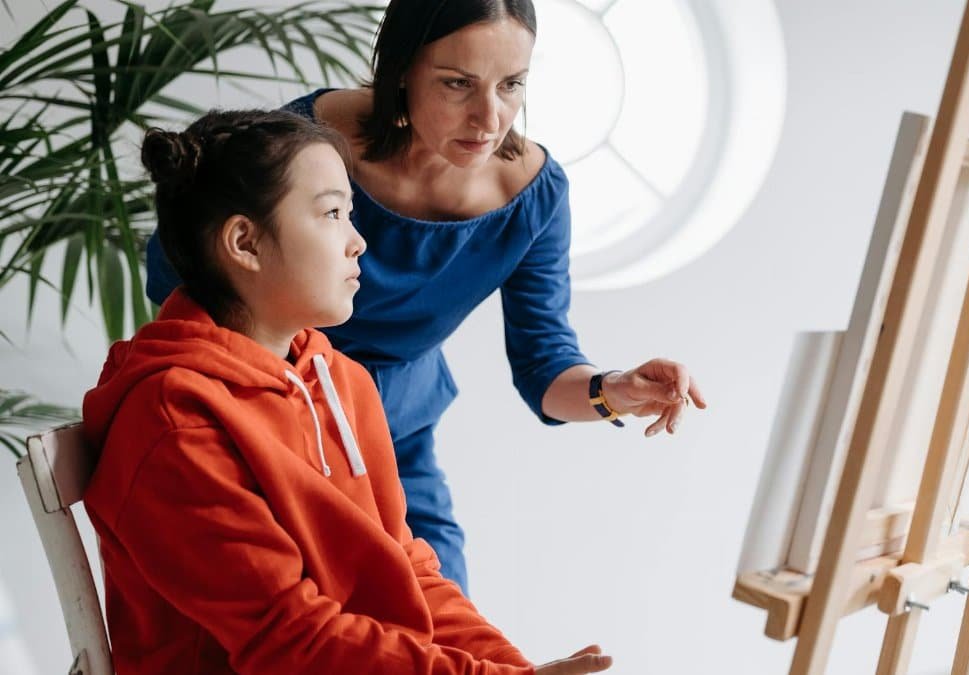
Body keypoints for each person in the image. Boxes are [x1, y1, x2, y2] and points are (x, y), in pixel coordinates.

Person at [144, 0, 707, 594]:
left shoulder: (535, 195)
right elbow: (184, 278)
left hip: (397, 434)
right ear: (402, 70)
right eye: (458, 84)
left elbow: (544, 362)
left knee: (443, 607)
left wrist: (611, 391)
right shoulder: (306, 147)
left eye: (511, 85)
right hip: (268, 415)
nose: (489, 118)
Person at [83, 109, 612, 674]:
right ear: (245, 243)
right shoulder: (176, 423)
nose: (358, 243)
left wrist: (517, 669)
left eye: (350, 214)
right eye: (331, 213)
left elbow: (409, 570)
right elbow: (288, 640)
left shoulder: (339, 380)